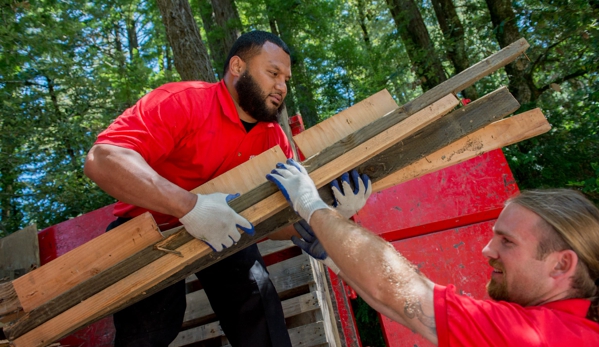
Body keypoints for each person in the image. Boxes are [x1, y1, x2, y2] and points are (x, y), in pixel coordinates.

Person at [84, 30, 297, 347]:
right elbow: (102, 160)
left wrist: (316, 219)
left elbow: (277, 225)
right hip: (148, 230)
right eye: (273, 73)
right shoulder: (183, 101)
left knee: (261, 310)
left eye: (286, 79)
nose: (281, 86)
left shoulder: (275, 140)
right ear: (237, 67)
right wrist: (190, 207)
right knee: (147, 334)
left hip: (226, 229)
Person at [267, 158, 599, 346]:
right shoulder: (569, 332)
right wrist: (337, 258)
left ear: (561, 265)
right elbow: (409, 310)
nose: (487, 249)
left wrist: (310, 204)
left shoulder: (541, 338)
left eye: (507, 241)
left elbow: (397, 290)